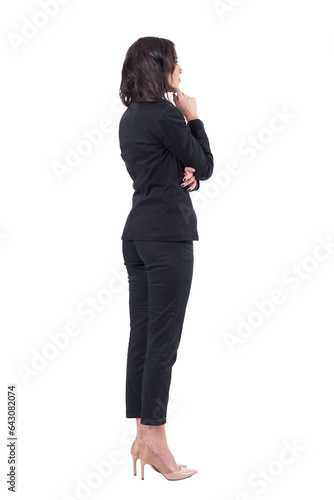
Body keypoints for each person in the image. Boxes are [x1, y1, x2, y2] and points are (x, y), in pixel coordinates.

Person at [119, 36, 214, 480]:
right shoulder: (169, 114)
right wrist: (193, 116)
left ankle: (142, 433)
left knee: (143, 337)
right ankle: (155, 439)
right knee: (163, 344)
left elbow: (162, 169)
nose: (181, 68)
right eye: (175, 63)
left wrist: (183, 175)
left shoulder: (130, 118)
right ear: (161, 69)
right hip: (167, 239)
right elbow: (206, 163)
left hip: (136, 236)